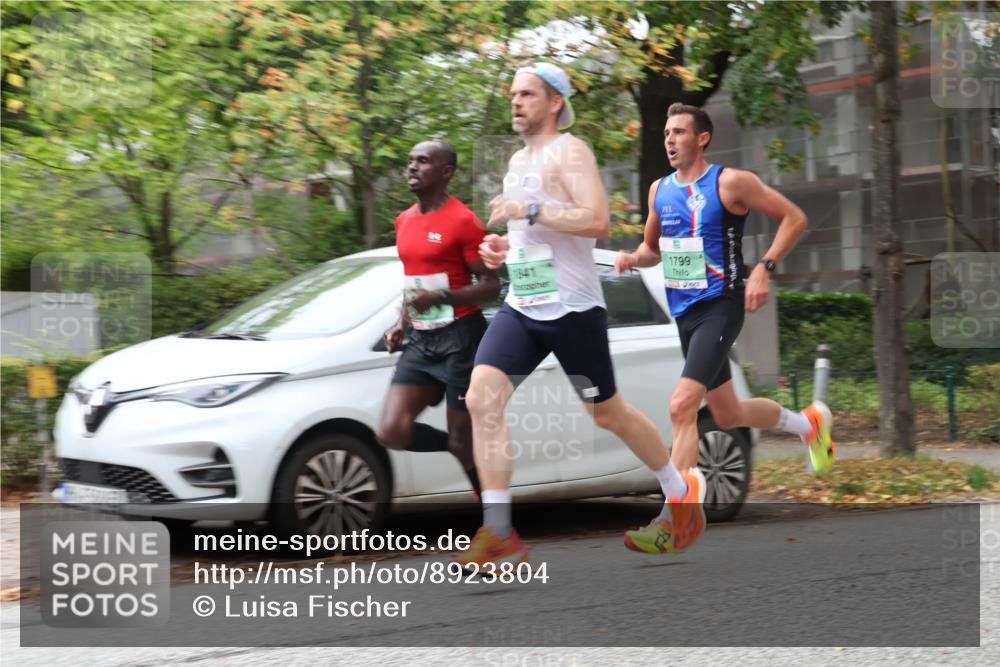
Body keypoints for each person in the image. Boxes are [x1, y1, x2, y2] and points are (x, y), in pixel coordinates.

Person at [454, 63, 683, 567]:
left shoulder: (570, 151)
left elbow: (595, 220)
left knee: (608, 413)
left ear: (555, 101)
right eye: (513, 93)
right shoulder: (518, 160)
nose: (516, 102)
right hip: (524, 304)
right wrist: (499, 248)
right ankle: (498, 533)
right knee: (481, 399)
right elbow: (525, 234)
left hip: (571, 308)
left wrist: (530, 212)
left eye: (528, 94)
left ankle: (681, 496)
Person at [613, 102, 835, 554]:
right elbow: (652, 248)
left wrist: (764, 269)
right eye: (666, 133)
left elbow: (794, 217)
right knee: (729, 413)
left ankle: (675, 519)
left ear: (702, 138)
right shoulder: (659, 190)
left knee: (681, 408)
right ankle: (809, 424)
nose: (670, 140)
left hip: (721, 304)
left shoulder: (730, 182)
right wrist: (635, 258)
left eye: (678, 132)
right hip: (685, 312)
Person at [378, 140, 499, 499]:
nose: (412, 167)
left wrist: (444, 297)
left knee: (464, 436)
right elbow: (414, 282)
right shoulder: (404, 220)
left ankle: (496, 522)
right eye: (410, 160)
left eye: (423, 161)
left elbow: (491, 286)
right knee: (391, 432)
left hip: (461, 339)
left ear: (446, 172)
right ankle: (458, 448)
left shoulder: (463, 221)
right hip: (421, 340)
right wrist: (401, 323)